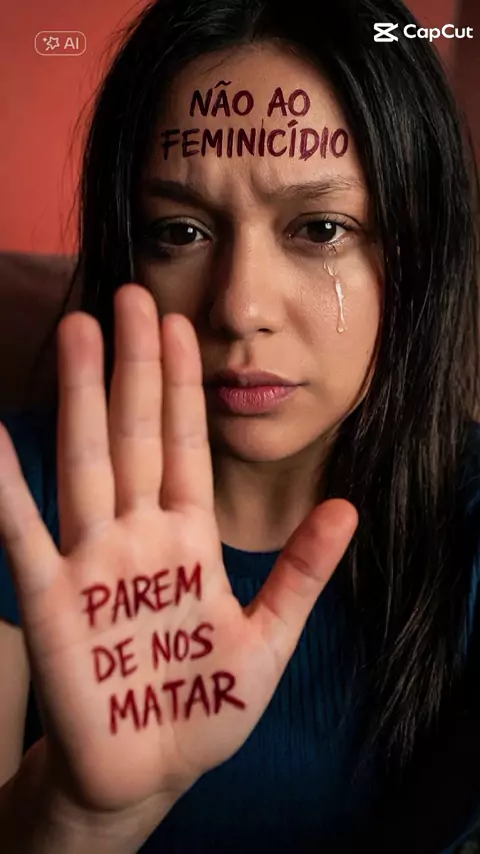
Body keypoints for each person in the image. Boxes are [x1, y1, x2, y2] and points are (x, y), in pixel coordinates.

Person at [0, 0, 479, 850]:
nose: (239, 306)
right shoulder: (19, 495)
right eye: (180, 231)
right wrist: (80, 815)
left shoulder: (467, 527)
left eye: (320, 229)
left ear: (419, 249)